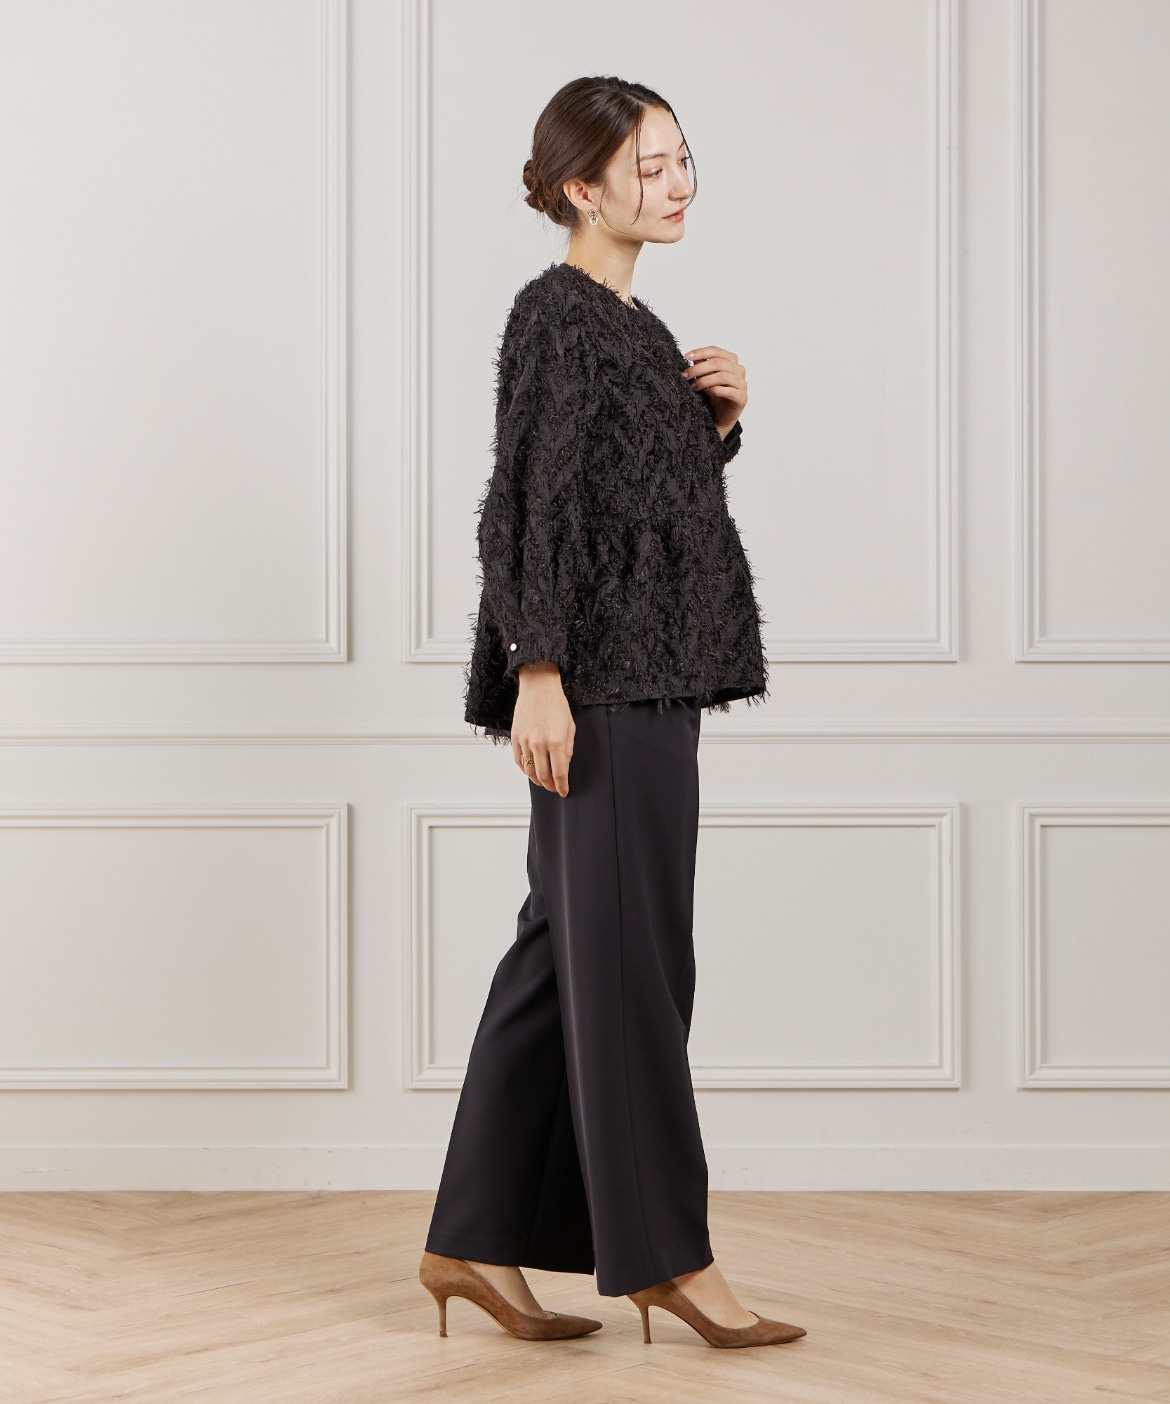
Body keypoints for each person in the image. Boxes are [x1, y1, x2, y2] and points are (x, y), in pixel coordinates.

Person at [419, 75, 807, 1351]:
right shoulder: (560, 315)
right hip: (602, 690)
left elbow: (628, 504)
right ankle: (666, 1258)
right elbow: (525, 505)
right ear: (581, 188)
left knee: (562, 958)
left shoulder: (634, 327)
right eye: (650, 166)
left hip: (642, 678)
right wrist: (537, 668)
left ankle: (472, 1237)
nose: (677, 182)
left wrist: (715, 426)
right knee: (634, 966)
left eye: (684, 158)